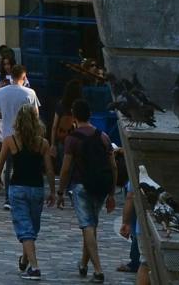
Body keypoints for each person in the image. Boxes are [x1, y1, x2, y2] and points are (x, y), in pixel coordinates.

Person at [58, 99, 116, 280]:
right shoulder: (103, 136)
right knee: (91, 224)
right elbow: (113, 166)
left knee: (87, 226)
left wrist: (60, 191)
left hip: (81, 185)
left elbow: (65, 169)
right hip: (101, 186)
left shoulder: (72, 139)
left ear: (74, 116)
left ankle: (98, 269)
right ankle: (83, 264)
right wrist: (112, 193)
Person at [0, 102, 50, 279]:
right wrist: (54, 191)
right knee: (32, 227)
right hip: (37, 187)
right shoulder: (43, 143)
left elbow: (1, 164)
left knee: (25, 229)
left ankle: (34, 267)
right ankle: (26, 259)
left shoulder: (10, 140)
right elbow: (49, 169)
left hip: (18, 187)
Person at [0, 64, 39, 144]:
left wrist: (6, 113)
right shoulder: (30, 93)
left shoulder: (0, 92)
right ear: (24, 77)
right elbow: (35, 115)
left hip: (6, 136)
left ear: (11, 76)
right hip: (24, 136)